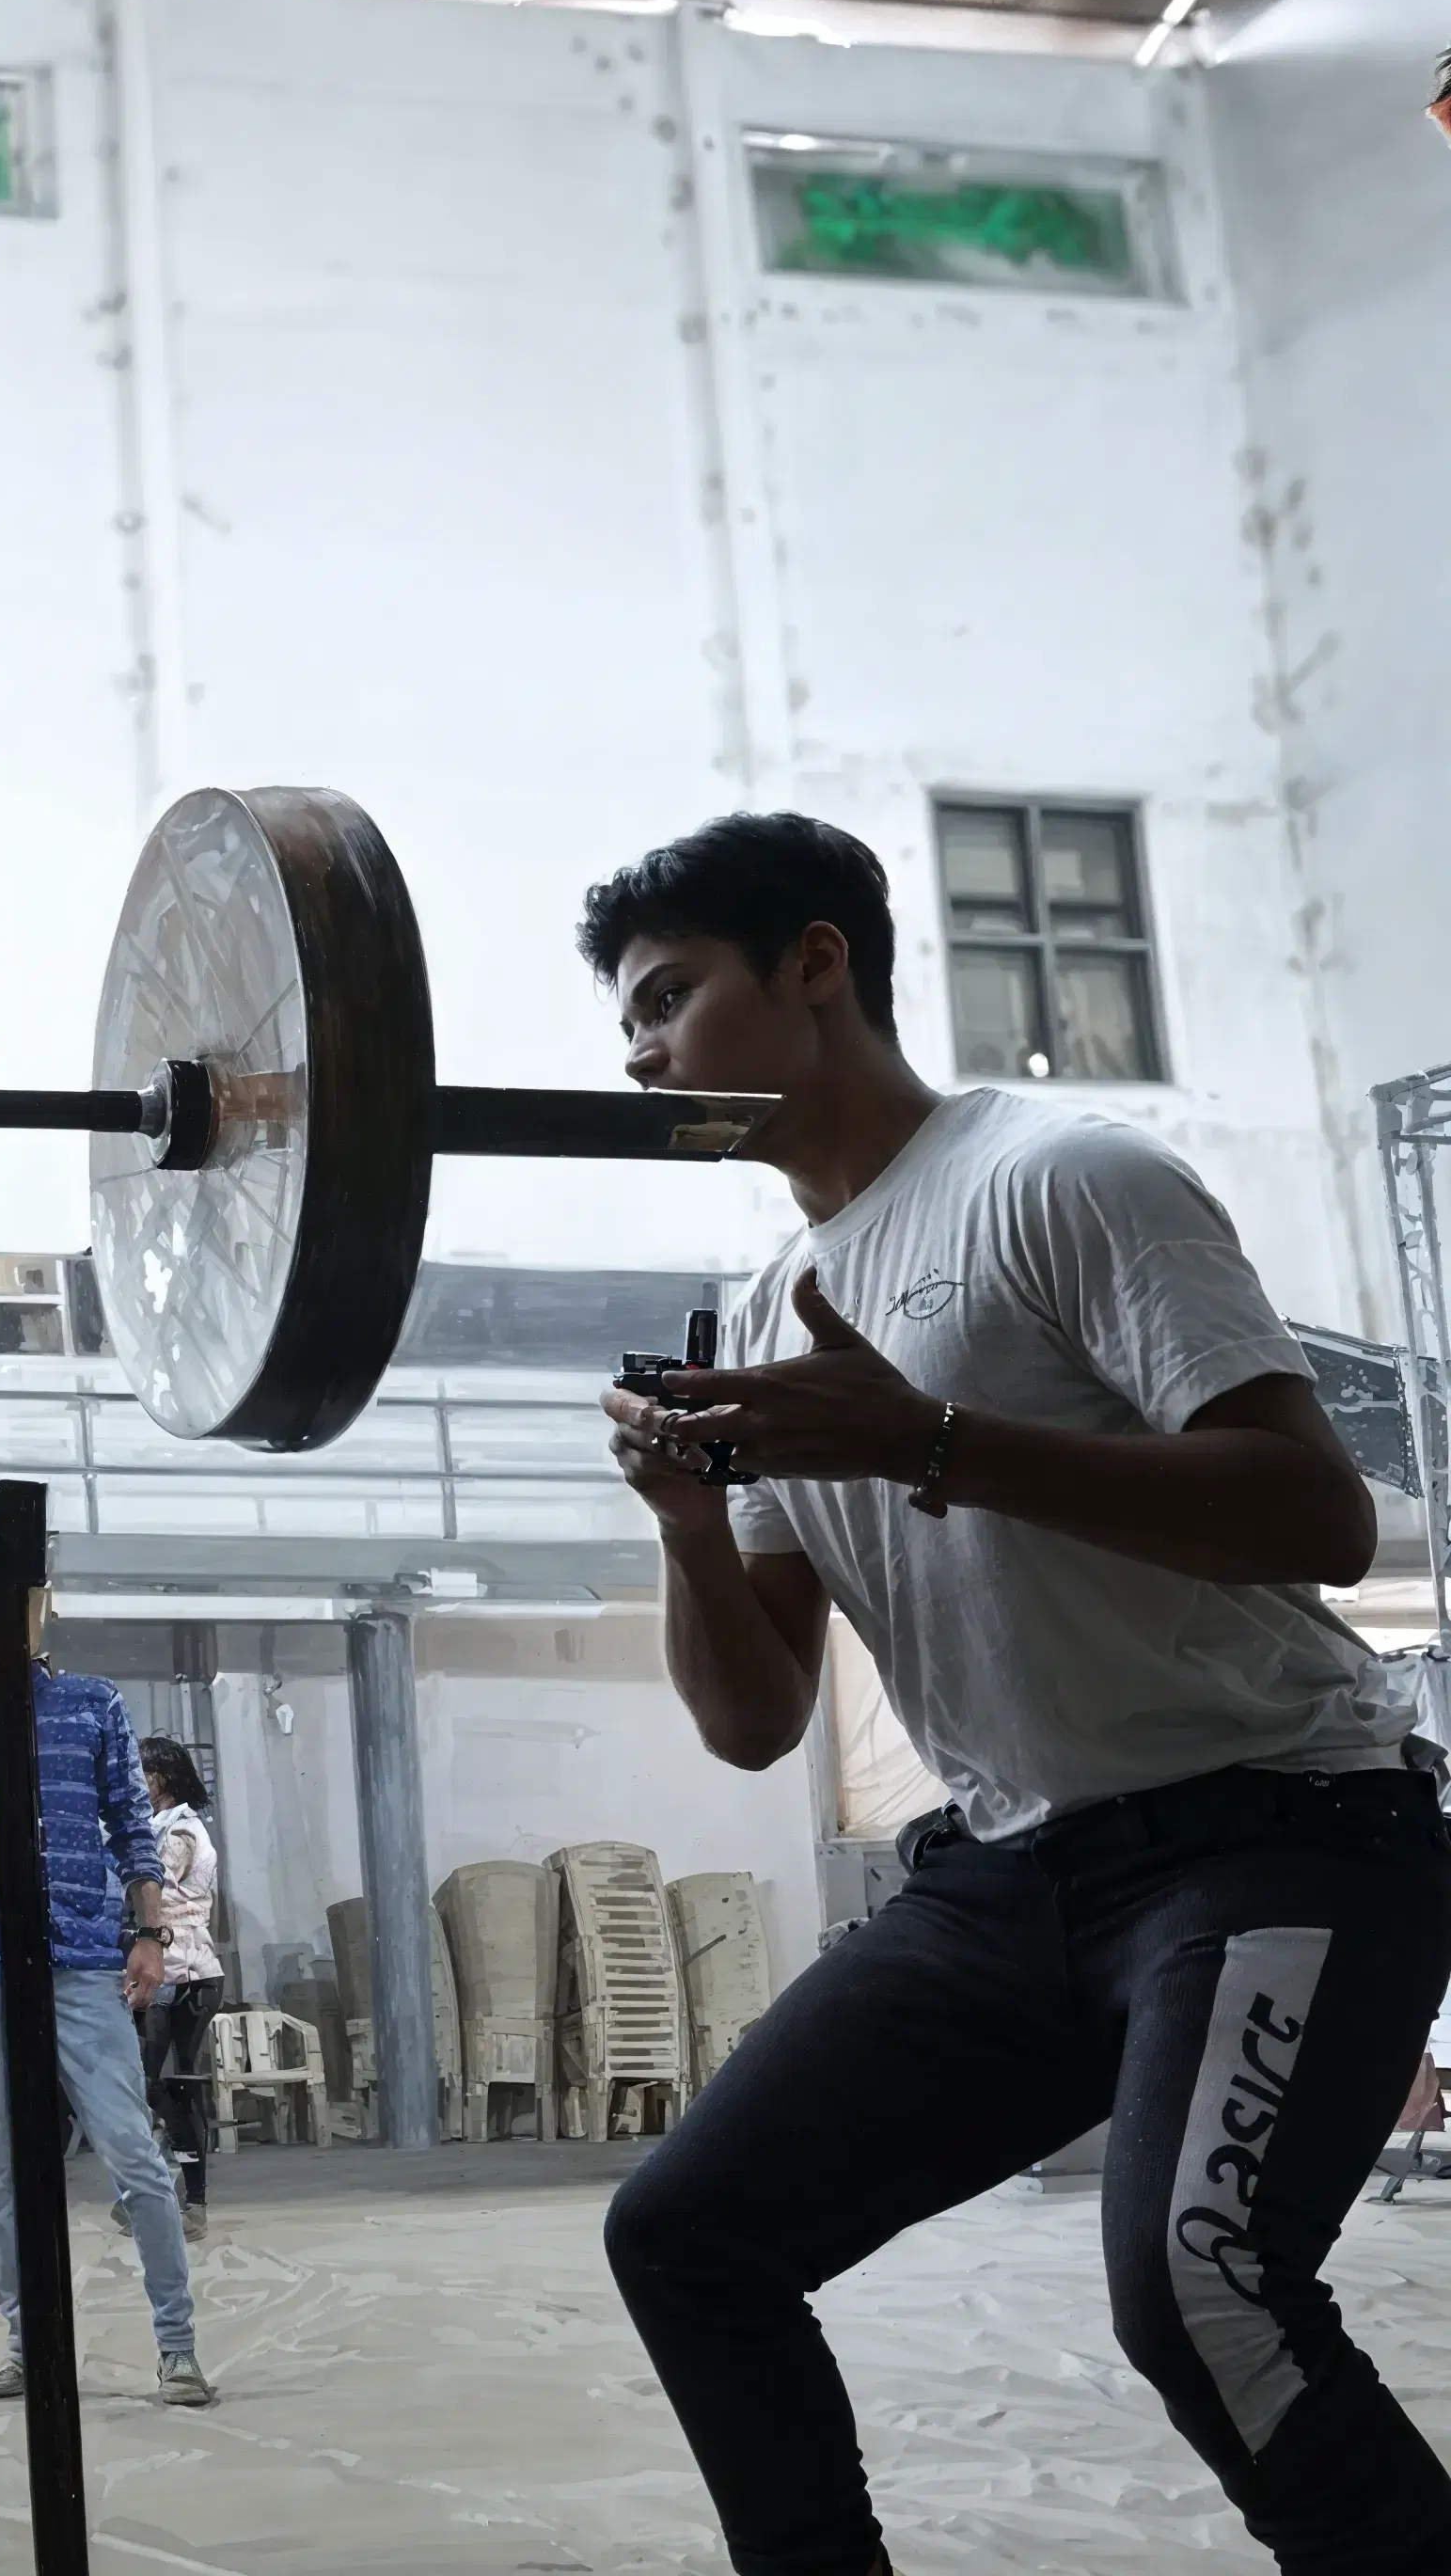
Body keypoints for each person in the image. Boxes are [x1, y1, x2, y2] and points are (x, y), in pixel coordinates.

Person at [581, 810, 1447, 2576]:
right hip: (1008, 1872)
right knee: (689, 2235)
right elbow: (753, 1718)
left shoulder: (1062, 1176)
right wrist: (686, 1525)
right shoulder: (770, 1296)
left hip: (1280, 1829)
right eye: (628, 1019)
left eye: (671, 995)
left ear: (817, 963)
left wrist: (934, 1439)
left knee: (1200, 2286)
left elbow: (1316, 1512)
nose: (641, 1050)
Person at [0, 1596, 212, 2410]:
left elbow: (129, 1827)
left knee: (132, 2153)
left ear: (44, 1614)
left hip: (73, 1952)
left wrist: (150, 1933)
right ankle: (25, 2342)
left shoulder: (92, 1704)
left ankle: (176, 2347)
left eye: (29, 1601)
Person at [135, 1734, 226, 2211]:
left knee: (166, 2086)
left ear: (161, 1778)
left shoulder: (179, 1833)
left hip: (183, 1974)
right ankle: (175, 2187)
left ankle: (186, 2190)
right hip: (172, 1972)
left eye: (142, 1775)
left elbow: (155, 1898)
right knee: (155, 2084)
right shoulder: (159, 1825)